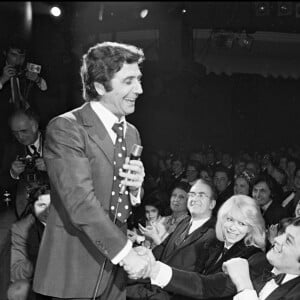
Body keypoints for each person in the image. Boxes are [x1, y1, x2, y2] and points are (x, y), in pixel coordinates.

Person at [32, 42, 148, 300]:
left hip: (114, 274)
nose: (139, 89)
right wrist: (126, 252)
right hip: (75, 269)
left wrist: (136, 188)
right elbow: (80, 203)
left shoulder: (132, 133)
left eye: (139, 80)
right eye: (128, 81)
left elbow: (121, 204)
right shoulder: (66, 128)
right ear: (98, 86)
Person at [138, 194, 267, 300]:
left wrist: (156, 270)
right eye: (229, 220)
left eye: (241, 223)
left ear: (251, 228)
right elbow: (188, 274)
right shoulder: (213, 244)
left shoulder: (255, 257)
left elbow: (211, 286)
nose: (233, 227)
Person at [127, 179, 217, 300]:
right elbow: (161, 250)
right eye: (192, 194)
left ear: (212, 204)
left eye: (201, 195)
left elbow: (199, 282)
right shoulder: (185, 222)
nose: (194, 199)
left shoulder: (215, 233)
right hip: (154, 286)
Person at [223, 216, 300, 300]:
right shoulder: (260, 262)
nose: (276, 239)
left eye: (288, 240)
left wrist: (244, 286)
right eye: (283, 233)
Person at [0, 108, 48, 218]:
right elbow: (3, 183)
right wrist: (13, 173)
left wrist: (52, 167)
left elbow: (74, 173)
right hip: (25, 210)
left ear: (35, 126)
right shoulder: (11, 148)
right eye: (15, 133)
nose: (20, 137)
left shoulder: (55, 141)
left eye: (23, 131)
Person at [7, 185, 51, 300]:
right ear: (33, 207)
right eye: (42, 205)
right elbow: (15, 272)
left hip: (70, 278)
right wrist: (38, 261)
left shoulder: (72, 223)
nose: (48, 211)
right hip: (40, 280)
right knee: (17, 291)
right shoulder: (21, 228)